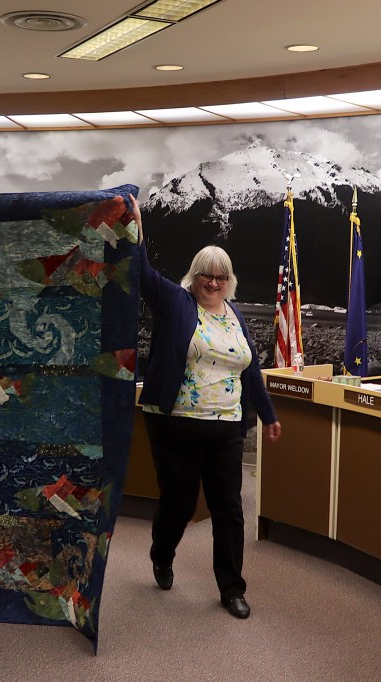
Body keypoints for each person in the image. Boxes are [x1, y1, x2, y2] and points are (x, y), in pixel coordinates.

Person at [131, 195, 281, 620]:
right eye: (205, 275)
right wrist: (136, 227)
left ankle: (232, 589)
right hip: (176, 425)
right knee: (179, 505)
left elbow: (249, 370)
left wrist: (268, 414)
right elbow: (142, 274)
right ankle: (162, 555)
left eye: (220, 277)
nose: (212, 283)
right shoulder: (175, 302)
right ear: (194, 276)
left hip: (227, 428)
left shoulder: (235, 316)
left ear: (229, 280)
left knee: (229, 510)